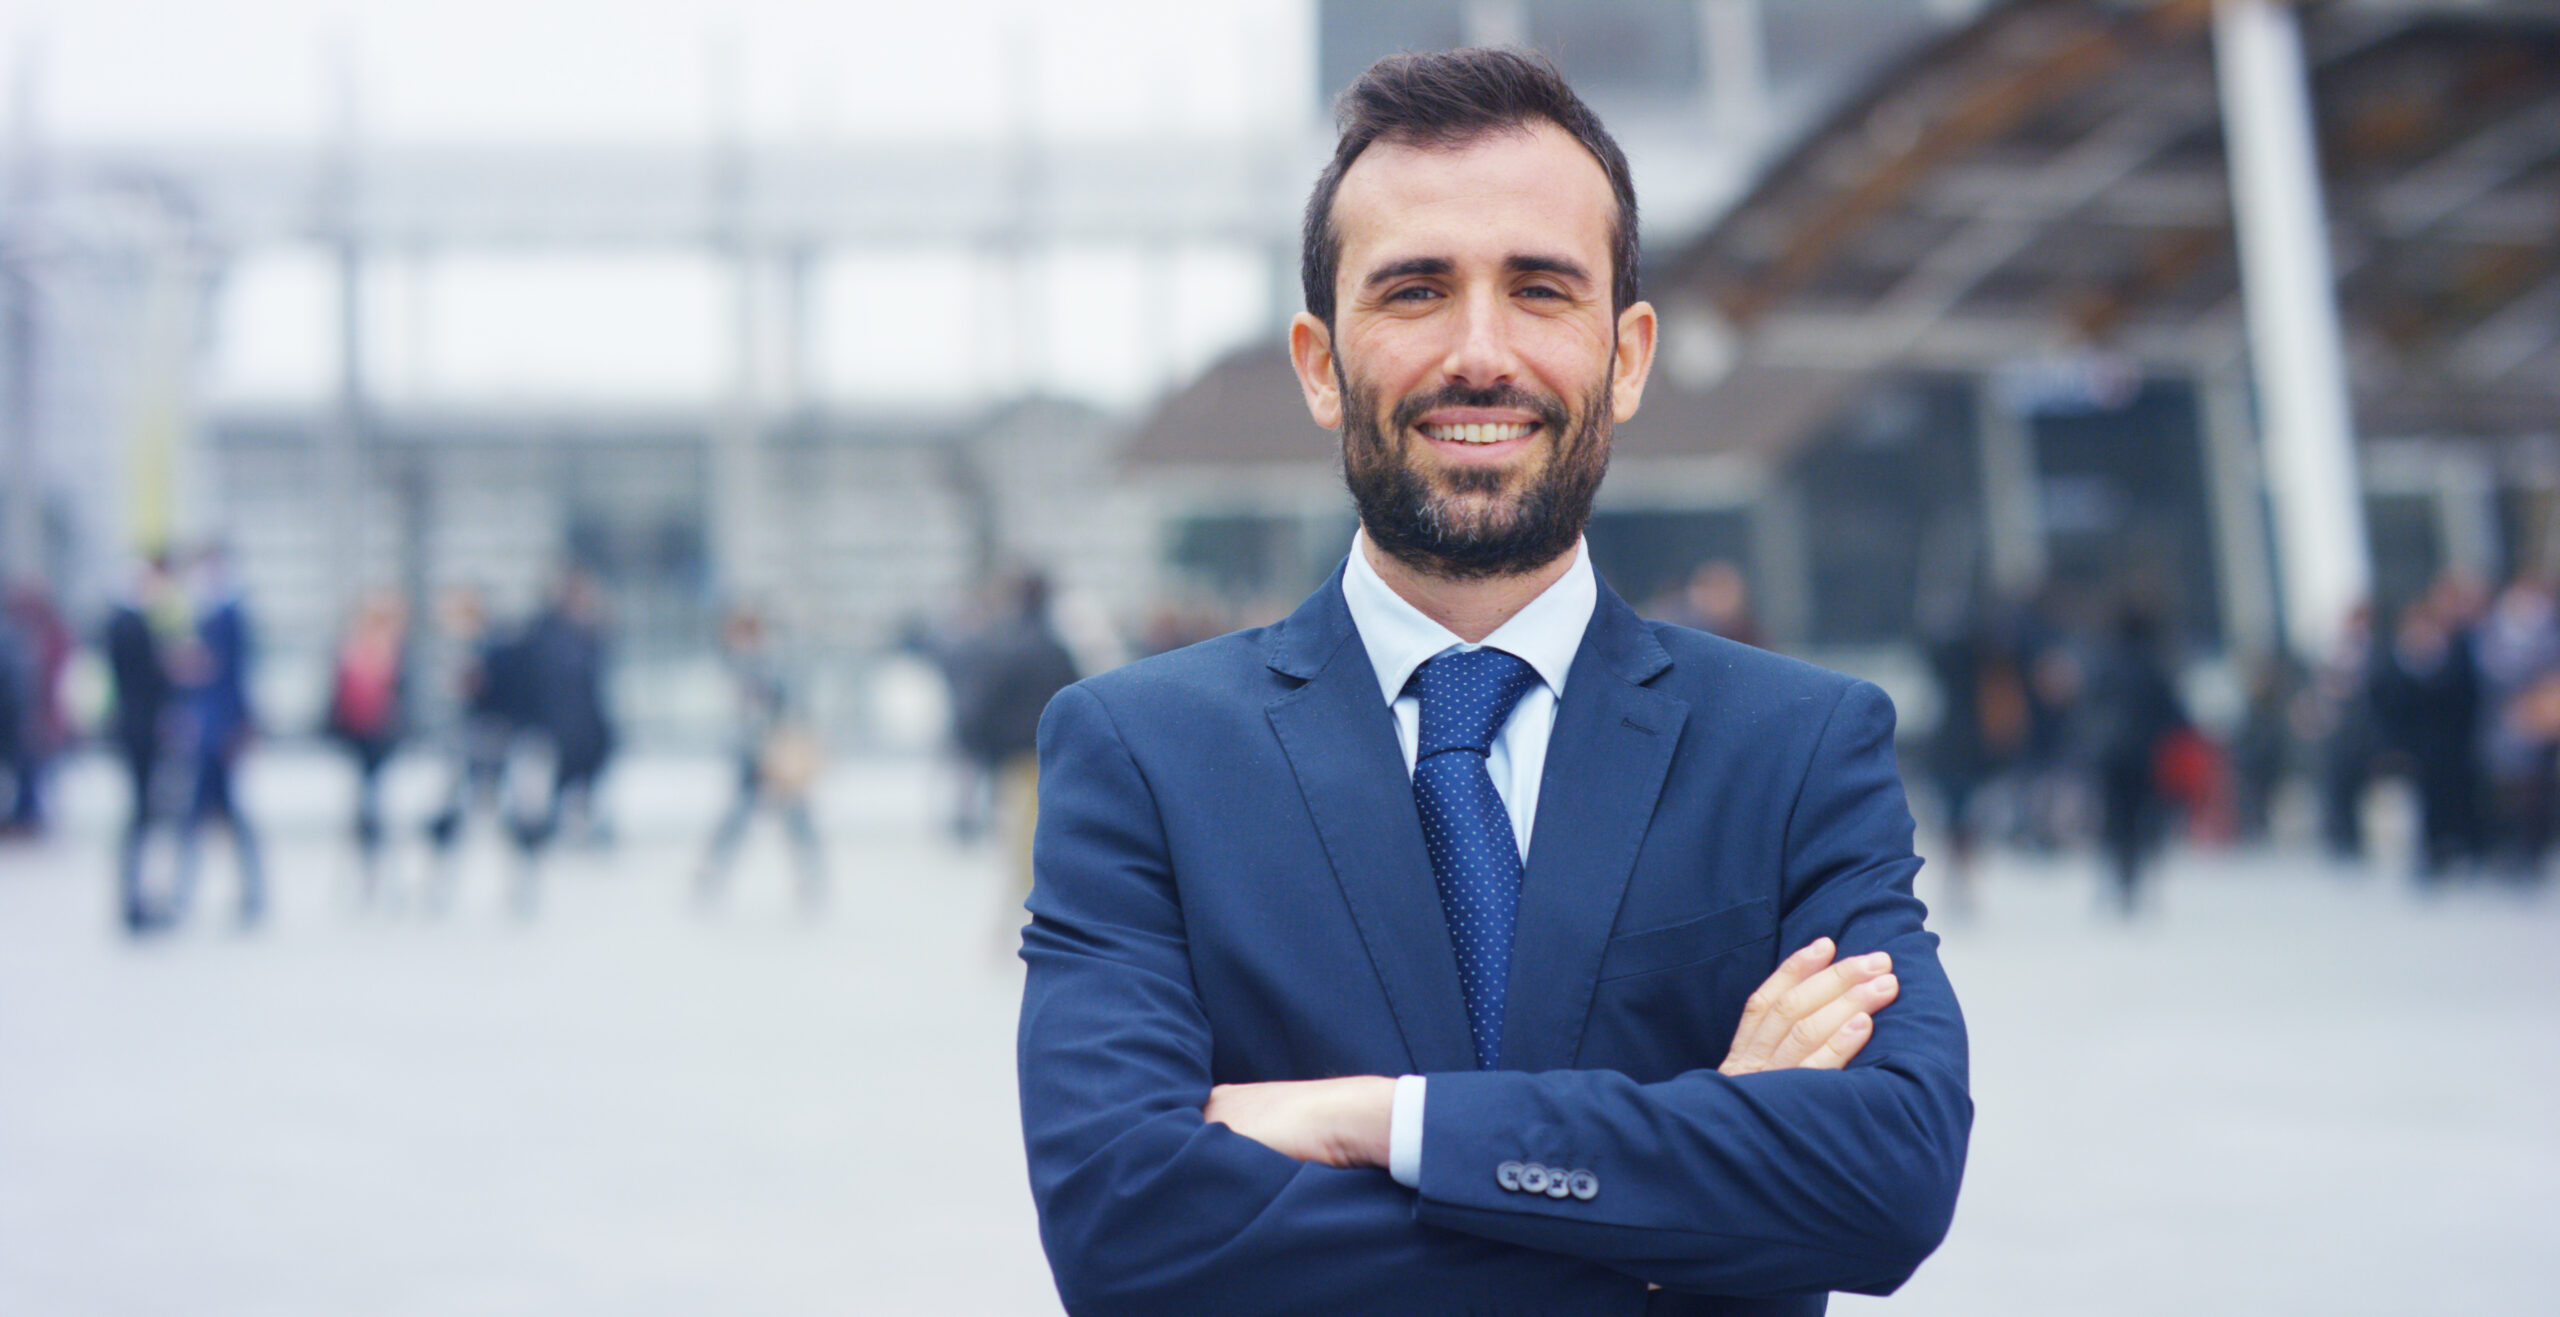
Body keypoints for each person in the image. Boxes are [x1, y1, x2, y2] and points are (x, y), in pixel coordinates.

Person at [1016, 50, 1967, 1314]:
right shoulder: (1139, 757)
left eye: (1539, 290)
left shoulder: (1798, 750)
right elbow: (1122, 1231)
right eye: (1414, 291)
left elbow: (1887, 1186)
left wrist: (1386, 1124)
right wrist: (1683, 1194)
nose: (1480, 353)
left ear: (1625, 356)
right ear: (1318, 362)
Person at [694, 604, 827, 910]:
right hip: (752, 756)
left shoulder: (771, 666)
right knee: (742, 815)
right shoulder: (739, 665)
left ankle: (810, 874)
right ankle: (715, 870)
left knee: (794, 816)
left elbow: (786, 710)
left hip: (777, 754)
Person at [169, 543, 266, 928]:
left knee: (214, 814)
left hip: (220, 732)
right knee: (206, 814)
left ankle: (197, 891)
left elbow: (236, 678)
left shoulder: (230, 616)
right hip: (207, 729)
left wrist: (237, 727)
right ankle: (197, 890)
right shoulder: (204, 613)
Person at [324, 589, 410, 896]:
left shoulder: (393, 652)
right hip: (358, 738)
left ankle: (379, 874)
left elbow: (401, 701)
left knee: (376, 808)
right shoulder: (352, 651)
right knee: (363, 807)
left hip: (381, 740)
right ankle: (364, 874)